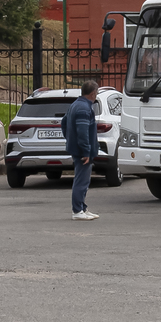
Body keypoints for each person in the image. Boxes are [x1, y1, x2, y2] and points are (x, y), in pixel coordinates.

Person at [62, 81, 100, 221]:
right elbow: (83, 132)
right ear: (92, 93)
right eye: (96, 93)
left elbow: (64, 123)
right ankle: (77, 210)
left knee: (84, 180)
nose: (96, 95)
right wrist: (86, 151)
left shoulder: (75, 105)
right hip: (82, 152)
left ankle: (82, 208)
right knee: (81, 181)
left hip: (77, 148)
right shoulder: (84, 108)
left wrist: (69, 138)